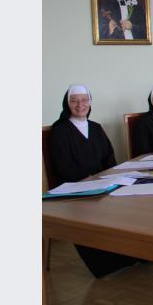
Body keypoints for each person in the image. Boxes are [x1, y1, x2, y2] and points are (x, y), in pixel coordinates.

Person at [49, 84, 138, 278]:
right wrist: (94, 179)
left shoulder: (96, 127)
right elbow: (64, 167)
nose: (80, 104)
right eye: (74, 100)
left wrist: (109, 177)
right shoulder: (60, 130)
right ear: (67, 104)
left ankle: (133, 250)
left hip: (103, 183)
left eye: (84, 100)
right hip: (75, 188)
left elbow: (109, 158)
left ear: (90, 103)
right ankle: (106, 261)